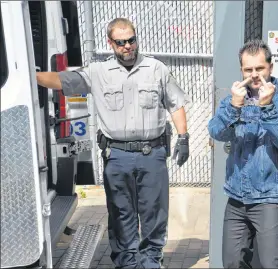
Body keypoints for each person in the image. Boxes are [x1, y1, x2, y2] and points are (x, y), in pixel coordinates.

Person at [36, 18, 190, 269]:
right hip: (117, 156)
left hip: (152, 154)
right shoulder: (98, 72)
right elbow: (62, 81)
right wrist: (30, 77)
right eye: (121, 42)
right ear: (111, 43)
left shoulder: (156, 69)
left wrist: (183, 138)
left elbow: (176, 103)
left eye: (131, 40)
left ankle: (151, 261)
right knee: (121, 215)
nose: (128, 46)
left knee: (154, 213)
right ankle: (127, 263)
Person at [208, 39, 278, 268]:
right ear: (241, 70)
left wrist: (268, 107)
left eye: (259, 68)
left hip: (271, 196)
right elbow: (216, 132)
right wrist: (234, 106)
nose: (254, 75)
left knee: (273, 264)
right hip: (237, 196)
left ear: (270, 67)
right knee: (233, 262)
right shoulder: (234, 99)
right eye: (248, 69)